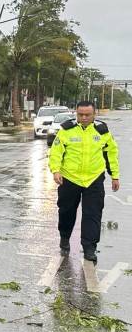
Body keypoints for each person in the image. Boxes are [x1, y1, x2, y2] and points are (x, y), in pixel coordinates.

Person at [49, 100, 120, 263]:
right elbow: (56, 152)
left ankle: (89, 248)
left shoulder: (102, 131)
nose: (84, 117)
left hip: (93, 179)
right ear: (76, 114)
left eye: (88, 115)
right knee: (66, 211)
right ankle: (65, 238)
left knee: (93, 214)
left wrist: (114, 176)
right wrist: (56, 170)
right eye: (80, 114)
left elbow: (111, 153)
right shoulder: (67, 130)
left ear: (94, 114)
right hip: (69, 178)